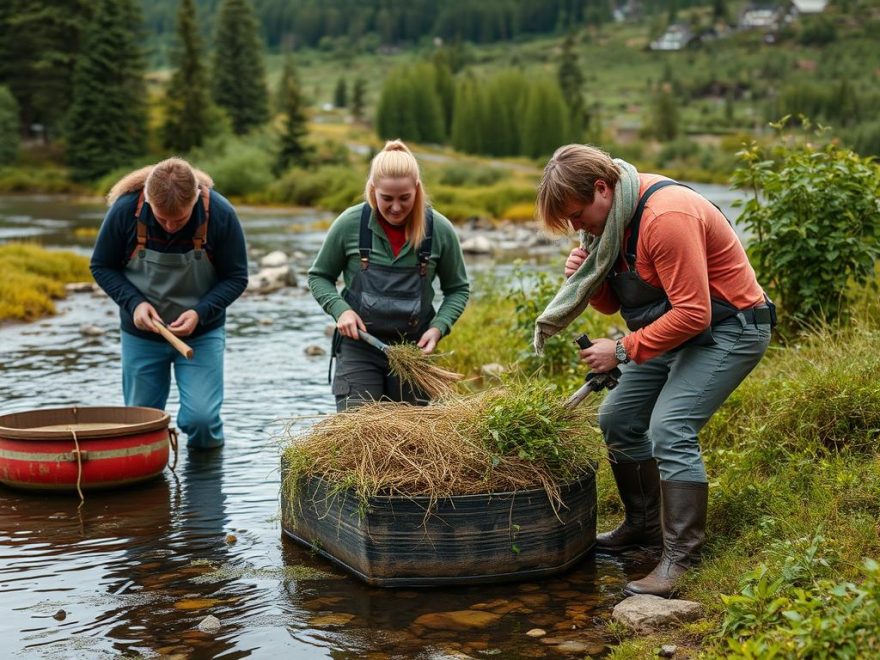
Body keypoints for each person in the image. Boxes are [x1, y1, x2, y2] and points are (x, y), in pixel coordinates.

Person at [534, 144, 773, 597]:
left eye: (577, 214)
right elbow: (617, 301)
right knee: (618, 419)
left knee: (671, 426)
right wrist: (588, 274)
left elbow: (695, 313)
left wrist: (622, 350)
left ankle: (682, 559)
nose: (575, 227)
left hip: (731, 328)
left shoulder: (665, 217)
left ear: (603, 188)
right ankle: (644, 528)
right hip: (676, 328)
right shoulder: (608, 224)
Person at [91, 157, 248, 450]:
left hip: (201, 334)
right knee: (139, 426)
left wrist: (200, 313)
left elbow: (237, 277)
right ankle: (148, 489)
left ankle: (206, 489)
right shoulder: (126, 210)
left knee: (202, 421)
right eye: (162, 219)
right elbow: (101, 266)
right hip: (141, 334)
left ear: (197, 198)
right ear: (147, 199)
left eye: (180, 219)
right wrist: (134, 304)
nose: (171, 226)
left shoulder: (221, 214)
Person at [308, 140, 470, 411]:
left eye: (404, 198)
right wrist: (341, 311)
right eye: (386, 198)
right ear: (373, 190)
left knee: (408, 440)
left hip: (413, 352)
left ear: (417, 189)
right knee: (358, 433)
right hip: (359, 349)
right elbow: (318, 277)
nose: (396, 207)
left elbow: (458, 289)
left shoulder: (439, 230)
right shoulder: (349, 224)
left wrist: (438, 327)